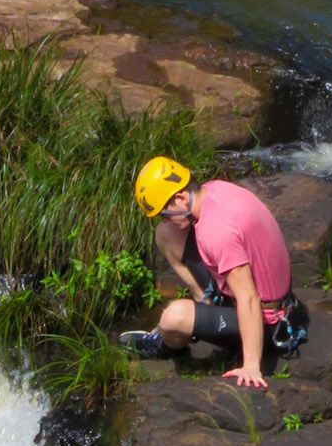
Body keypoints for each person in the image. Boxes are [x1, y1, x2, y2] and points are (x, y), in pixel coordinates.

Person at [120, 157, 305, 389]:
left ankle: (166, 345)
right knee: (165, 234)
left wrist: (251, 366)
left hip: (267, 320)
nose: (165, 219)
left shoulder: (215, 232)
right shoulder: (214, 189)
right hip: (264, 291)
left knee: (172, 318)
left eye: (165, 214)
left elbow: (248, 298)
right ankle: (205, 301)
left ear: (181, 198)